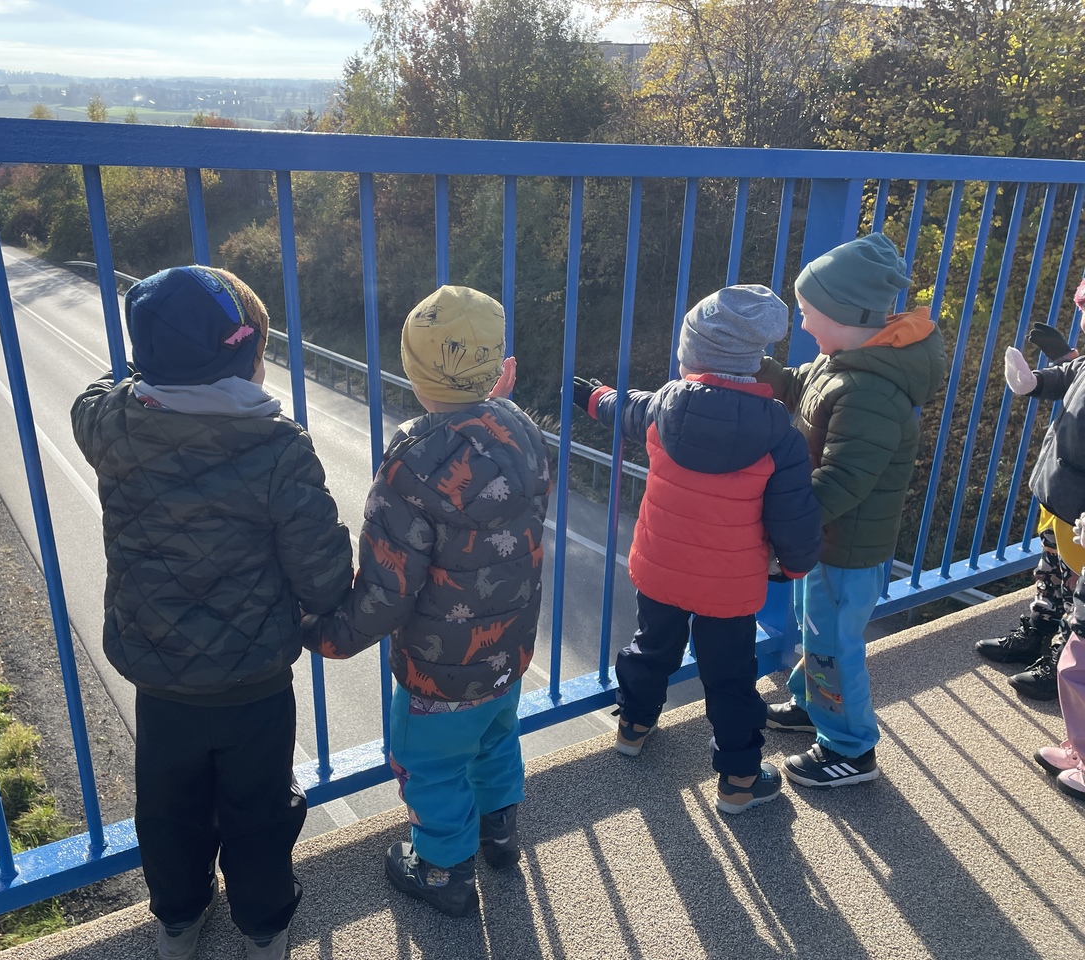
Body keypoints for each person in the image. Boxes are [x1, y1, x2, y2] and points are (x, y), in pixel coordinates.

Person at [71, 265, 352, 960]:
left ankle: (178, 919)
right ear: (249, 357)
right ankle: (263, 926)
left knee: (169, 810)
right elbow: (322, 576)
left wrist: (142, 371)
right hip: (254, 683)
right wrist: (326, 611)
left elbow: (93, 394)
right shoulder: (279, 446)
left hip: (160, 677)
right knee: (259, 811)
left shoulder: (114, 424)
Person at [303, 285, 549, 918]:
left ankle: (443, 869)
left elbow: (387, 588)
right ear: (497, 368)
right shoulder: (521, 431)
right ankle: (500, 834)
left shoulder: (412, 464)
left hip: (439, 670)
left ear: (411, 371)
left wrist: (329, 634)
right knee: (496, 737)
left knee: (430, 765)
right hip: (507, 651)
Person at [571, 284, 822, 814]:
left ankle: (633, 726)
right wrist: (796, 565)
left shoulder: (666, 405)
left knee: (651, 646)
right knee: (730, 677)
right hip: (729, 588)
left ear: (693, 356)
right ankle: (738, 780)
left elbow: (626, 409)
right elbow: (793, 514)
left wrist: (593, 397)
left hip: (661, 569)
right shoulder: (780, 434)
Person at [757, 232, 947, 788]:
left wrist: (785, 528)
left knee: (833, 646)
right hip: (824, 539)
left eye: (809, 311)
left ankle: (849, 747)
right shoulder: (842, 359)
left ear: (846, 313)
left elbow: (843, 481)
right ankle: (813, 705)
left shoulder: (871, 392)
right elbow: (804, 390)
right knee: (816, 632)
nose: (803, 323)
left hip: (846, 546)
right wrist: (761, 372)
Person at [1006, 276, 1085, 801]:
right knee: (1078, 643)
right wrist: (1034, 381)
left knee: (1081, 653)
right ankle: (1079, 746)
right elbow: (1070, 373)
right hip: (1067, 502)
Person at [976, 321, 1082, 700]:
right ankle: (1038, 630)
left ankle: (1065, 660)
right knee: (1051, 566)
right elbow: (1069, 376)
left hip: (1081, 507)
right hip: (1058, 488)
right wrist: (1034, 381)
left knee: (1078, 587)